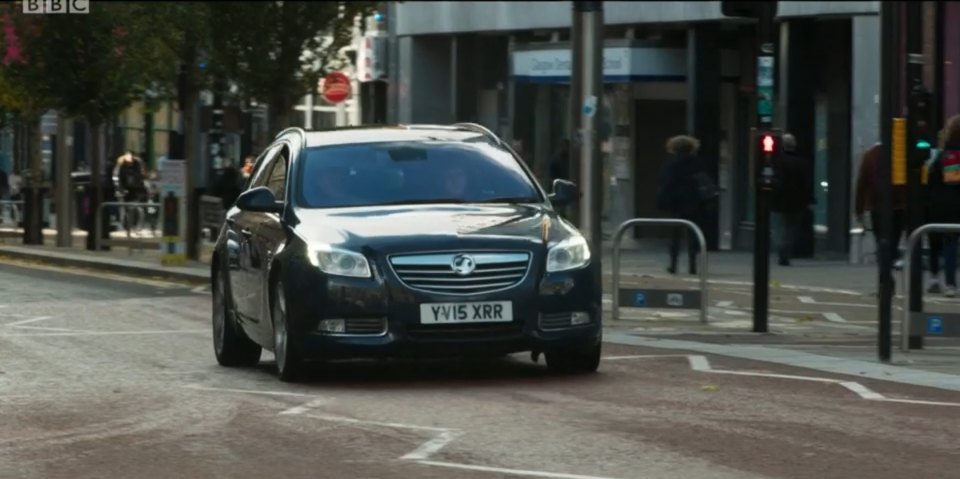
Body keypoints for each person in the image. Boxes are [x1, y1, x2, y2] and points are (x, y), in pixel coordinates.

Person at [656, 134, 713, 275]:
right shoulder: (698, 163)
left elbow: (665, 184)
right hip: (695, 202)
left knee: (675, 234)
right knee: (693, 233)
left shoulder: (670, 165)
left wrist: (662, 201)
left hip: (677, 202)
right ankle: (693, 264)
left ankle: (673, 264)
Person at [924, 115, 960, 297]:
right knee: (949, 243)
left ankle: (935, 278)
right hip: (952, 205)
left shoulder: (943, 154)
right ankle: (950, 283)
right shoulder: (952, 155)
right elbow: (954, 182)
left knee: (937, 243)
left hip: (938, 204)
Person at [855, 143, 906, 269]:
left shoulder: (870, 155)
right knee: (894, 238)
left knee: (881, 239)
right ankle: (890, 261)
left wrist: (859, 210)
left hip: (876, 205)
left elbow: (862, 184)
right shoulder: (899, 154)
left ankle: (885, 267)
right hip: (897, 205)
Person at [772, 133, 814, 266]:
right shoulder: (802, 162)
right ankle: (785, 251)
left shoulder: (777, 161)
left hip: (780, 201)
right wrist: (810, 200)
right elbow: (807, 183)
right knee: (790, 228)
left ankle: (781, 249)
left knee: (781, 227)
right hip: (797, 202)